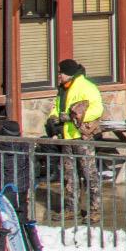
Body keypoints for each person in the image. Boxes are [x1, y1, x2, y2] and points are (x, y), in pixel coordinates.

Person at [52, 59, 105, 217]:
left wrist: (72, 117)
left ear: (68, 73)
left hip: (82, 137)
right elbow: (56, 107)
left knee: (89, 174)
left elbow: (97, 109)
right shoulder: (63, 89)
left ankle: (95, 210)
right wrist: (52, 119)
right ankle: (71, 208)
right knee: (69, 175)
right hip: (67, 137)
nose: (59, 75)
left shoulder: (86, 87)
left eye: (61, 72)